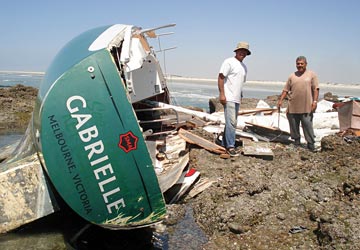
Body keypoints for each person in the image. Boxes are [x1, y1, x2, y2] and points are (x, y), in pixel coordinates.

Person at [277, 56, 319, 151]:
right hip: (293, 105)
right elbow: (286, 90)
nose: (299, 65)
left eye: (301, 63)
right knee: (293, 125)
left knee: (307, 124)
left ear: (306, 64)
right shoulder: (292, 76)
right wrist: (280, 100)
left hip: (307, 105)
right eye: (298, 64)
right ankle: (296, 141)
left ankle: (311, 143)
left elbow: (316, 89)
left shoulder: (311, 75)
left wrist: (315, 102)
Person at [218, 42, 251, 157]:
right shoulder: (229, 62)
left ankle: (224, 143)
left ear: (247, 54)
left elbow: (240, 83)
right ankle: (231, 146)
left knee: (231, 122)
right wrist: (222, 94)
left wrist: (240, 96)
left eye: (245, 52)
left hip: (236, 99)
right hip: (229, 97)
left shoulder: (244, 67)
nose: (242, 53)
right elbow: (221, 77)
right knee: (232, 122)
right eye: (241, 51)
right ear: (236, 51)